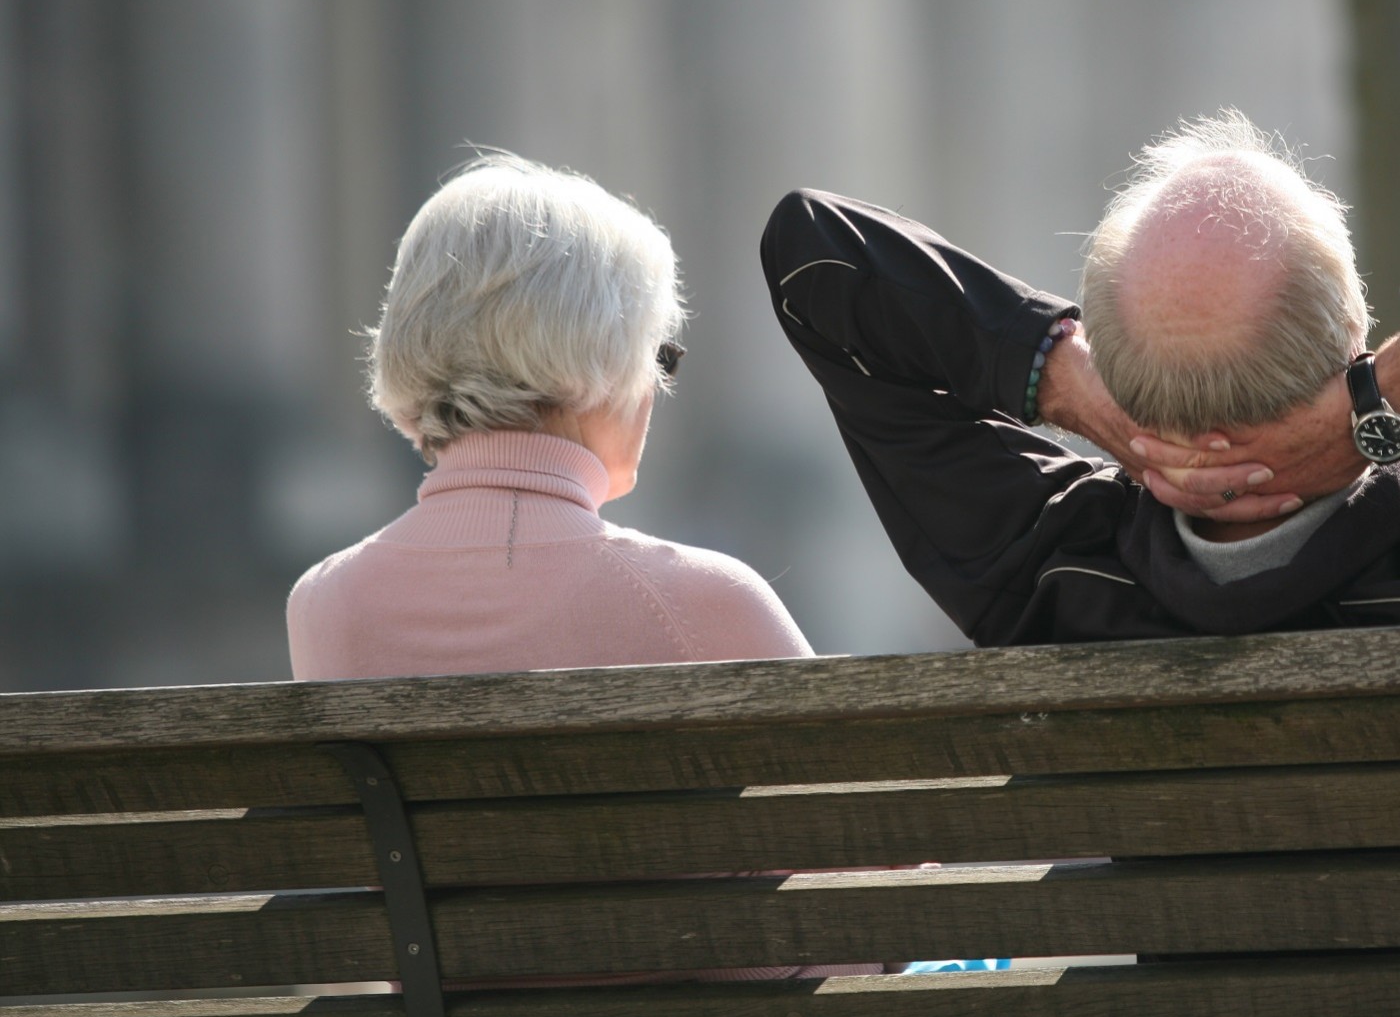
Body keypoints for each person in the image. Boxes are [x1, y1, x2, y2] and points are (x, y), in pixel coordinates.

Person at [761, 112, 1400, 644]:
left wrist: (1068, 383)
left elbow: (813, 253)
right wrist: (1371, 408)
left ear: (1120, 375)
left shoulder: (1051, 565)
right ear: (1354, 329)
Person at [288, 154, 812, 677]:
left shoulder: (323, 601)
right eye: (659, 356)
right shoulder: (705, 601)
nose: (656, 388)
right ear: (606, 358)